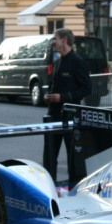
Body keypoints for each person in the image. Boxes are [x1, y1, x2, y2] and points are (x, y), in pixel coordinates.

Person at [43, 28, 93, 185]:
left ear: (64, 39)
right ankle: (49, 185)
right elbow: (54, 86)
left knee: (73, 155)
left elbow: (86, 89)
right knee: (49, 154)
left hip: (70, 116)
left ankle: (74, 186)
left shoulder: (78, 62)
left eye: (55, 39)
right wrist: (48, 96)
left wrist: (63, 97)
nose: (53, 42)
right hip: (53, 114)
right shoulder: (57, 62)